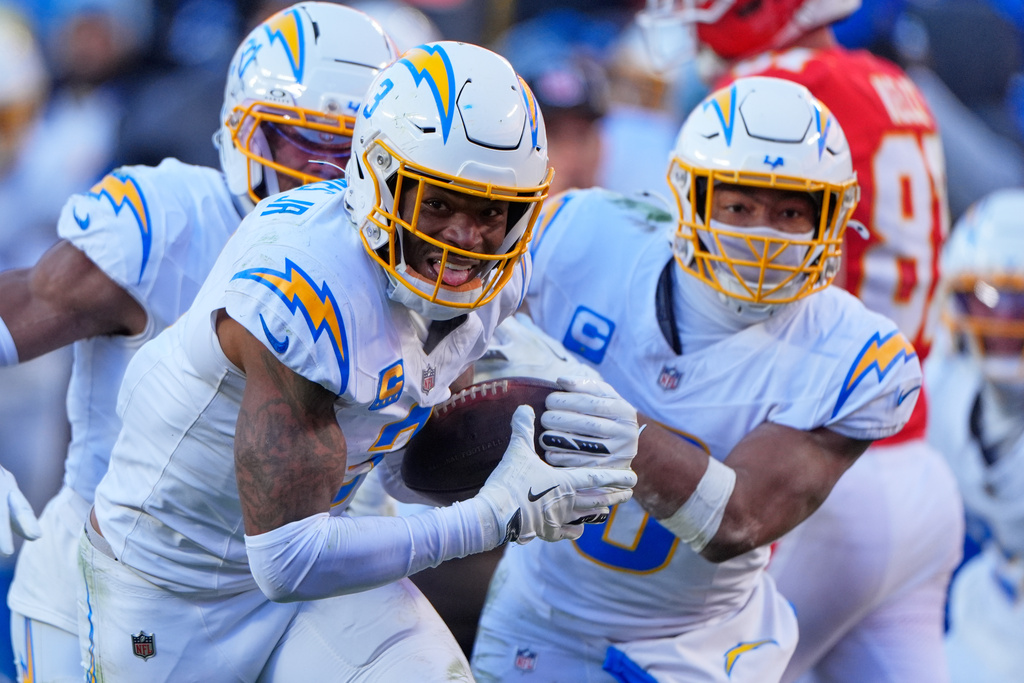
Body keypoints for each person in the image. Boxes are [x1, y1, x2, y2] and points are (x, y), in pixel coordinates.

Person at [78, 39, 638, 682]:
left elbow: (405, 469)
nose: (465, 237)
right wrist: (491, 518)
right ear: (378, 179)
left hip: (320, 572)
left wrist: (551, 437)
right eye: (438, 203)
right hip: (171, 586)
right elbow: (287, 560)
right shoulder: (304, 282)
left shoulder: (495, 276)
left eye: (490, 210)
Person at [470, 75, 923, 683]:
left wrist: (585, 406)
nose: (762, 236)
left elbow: (736, 520)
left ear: (831, 216)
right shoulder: (587, 233)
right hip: (538, 612)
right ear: (690, 198)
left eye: (790, 212)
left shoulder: (856, 355)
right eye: (739, 207)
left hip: (695, 647)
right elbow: (454, 342)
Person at [0, 3, 400, 680]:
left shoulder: (406, 267)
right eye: (307, 142)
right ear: (246, 133)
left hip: (290, 590)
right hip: (114, 581)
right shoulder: (168, 224)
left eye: (357, 149)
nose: (333, 172)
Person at [635, 1, 964, 680]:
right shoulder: (889, 82)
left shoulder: (775, 99)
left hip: (814, 461)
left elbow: (719, 285)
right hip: (917, 466)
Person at [924, 188, 1024, 683]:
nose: (1003, 319)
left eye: (1020, 303)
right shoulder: (939, 390)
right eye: (985, 296)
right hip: (987, 602)